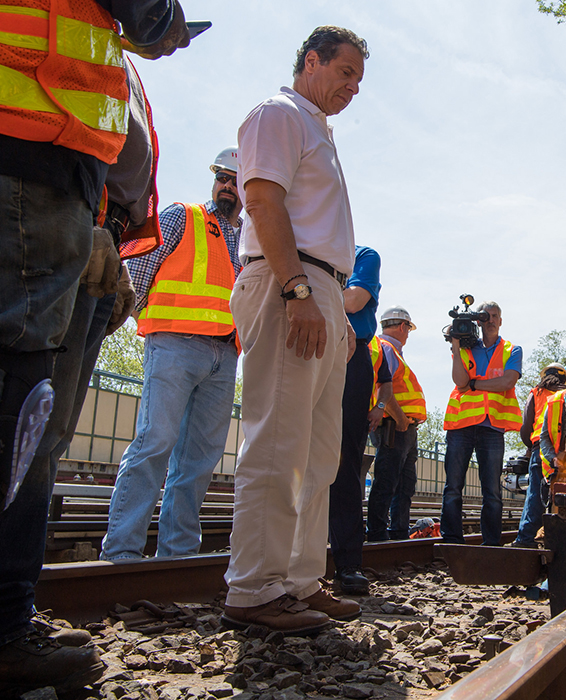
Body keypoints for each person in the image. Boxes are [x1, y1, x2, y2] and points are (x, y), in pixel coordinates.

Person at [0, 2, 188, 691]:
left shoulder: (102, 57)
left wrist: (102, 229)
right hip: (31, 176)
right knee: (20, 413)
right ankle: (5, 624)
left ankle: (12, 614)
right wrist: (162, 19)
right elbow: (146, 12)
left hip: (72, 211)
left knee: (36, 423)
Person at [222, 26, 368, 634]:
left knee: (318, 453)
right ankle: (255, 588)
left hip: (321, 290)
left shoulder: (316, 130)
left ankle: (300, 580)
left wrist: (332, 306)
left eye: (358, 81)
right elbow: (261, 201)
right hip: (295, 284)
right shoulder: (279, 113)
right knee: (280, 443)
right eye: (345, 74)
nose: (353, 89)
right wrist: (299, 289)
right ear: (312, 60)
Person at [101, 148, 243, 561]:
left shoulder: (250, 237)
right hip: (174, 346)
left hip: (225, 356)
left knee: (198, 462)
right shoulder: (184, 216)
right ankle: (121, 552)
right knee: (154, 443)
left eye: (235, 180)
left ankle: (177, 557)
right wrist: (156, 328)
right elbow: (138, 276)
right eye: (221, 177)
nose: (226, 186)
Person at [329, 245, 392, 595]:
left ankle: (347, 562)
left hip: (351, 357)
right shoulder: (299, 247)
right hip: (303, 343)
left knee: (346, 460)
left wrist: (308, 289)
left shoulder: (363, 255)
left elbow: (354, 300)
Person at [441, 301, 522, 546]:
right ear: (478, 320)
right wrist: (455, 346)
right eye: (486, 316)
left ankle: (491, 544)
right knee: (453, 486)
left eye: (495, 316)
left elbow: (507, 382)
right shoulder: (466, 347)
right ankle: (452, 540)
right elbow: (458, 379)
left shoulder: (512, 349)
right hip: (461, 426)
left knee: (492, 492)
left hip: (491, 428)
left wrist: (474, 384)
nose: (491, 320)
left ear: (501, 320)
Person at [368, 306, 426, 542]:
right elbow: (385, 388)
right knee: (388, 481)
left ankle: (398, 533)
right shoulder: (387, 349)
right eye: (408, 329)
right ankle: (378, 534)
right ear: (403, 327)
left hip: (404, 428)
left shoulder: (390, 350)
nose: (408, 334)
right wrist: (401, 418)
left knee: (404, 484)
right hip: (395, 426)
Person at [512, 364, 566, 548]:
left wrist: (531, 446)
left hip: (541, 449)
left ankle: (526, 539)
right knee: (565, 494)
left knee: (535, 493)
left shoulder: (536, 392)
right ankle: (561, 541)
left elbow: (526, 425)